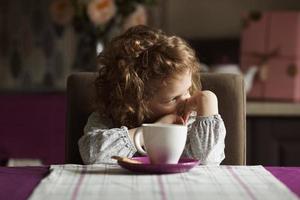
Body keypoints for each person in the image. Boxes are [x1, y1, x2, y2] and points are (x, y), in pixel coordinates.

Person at [78, 25, 226, 165]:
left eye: (187, 90)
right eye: (173, 98)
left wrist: (206, 99)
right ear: (135, 101)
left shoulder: (190, 119)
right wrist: (152, 131)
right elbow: (93, 155)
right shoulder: (108, 119)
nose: (187, 100)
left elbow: (207, 161)